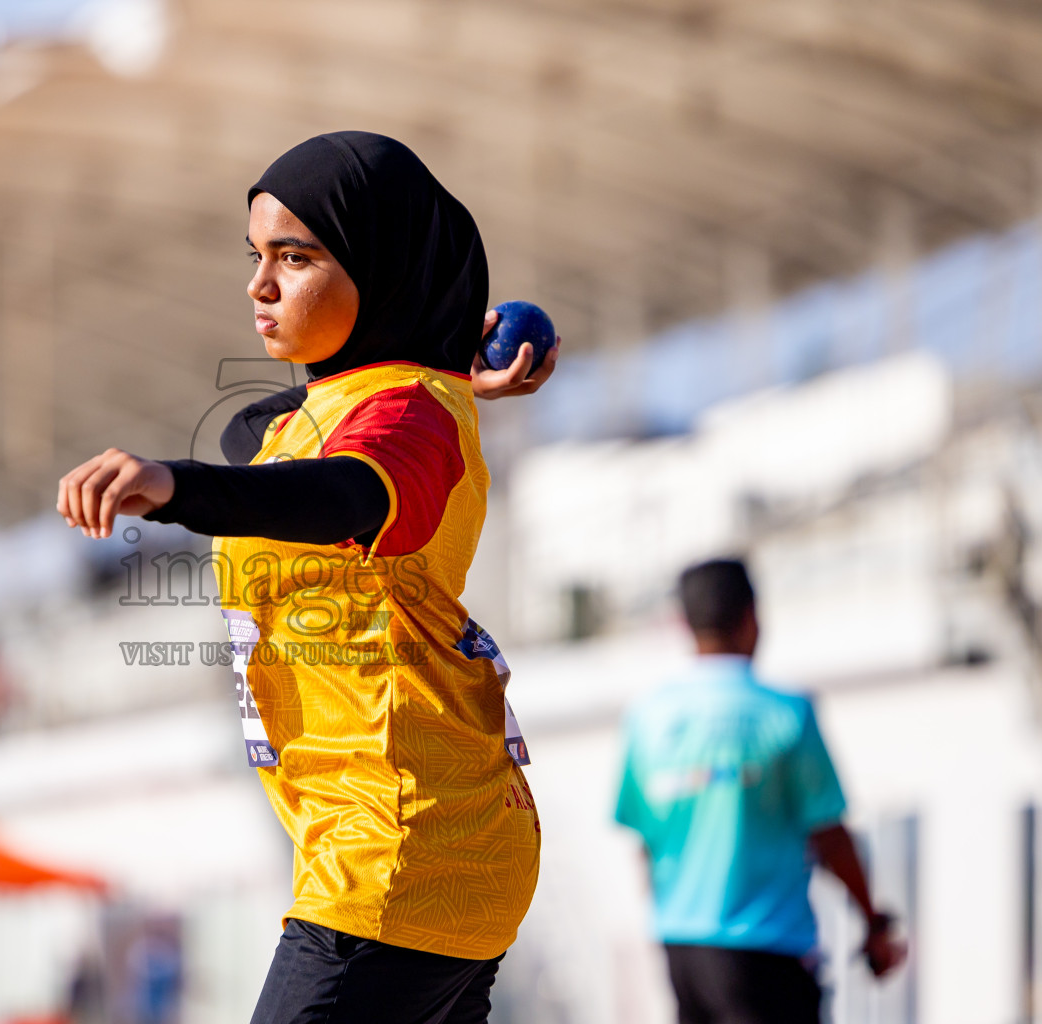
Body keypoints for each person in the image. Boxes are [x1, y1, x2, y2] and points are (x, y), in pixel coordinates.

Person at [56, 131, 557, 1023]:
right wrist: (444, 351)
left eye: (296, 257)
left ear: (380, 267)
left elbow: (344, 494)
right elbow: (262, 430)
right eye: (256, 256)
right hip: (397, 848)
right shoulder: (341, 411)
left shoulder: (412, 416)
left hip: (401, 850)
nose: (259, 285)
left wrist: (175, 486)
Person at [614, 558, 907, 1024]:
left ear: (684, 624)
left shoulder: (648, 719)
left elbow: (645, 844)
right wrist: (872, 922)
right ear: (752, 617)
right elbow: (829, 834)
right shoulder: (786, 714)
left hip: (683, 953)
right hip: (768, 949)